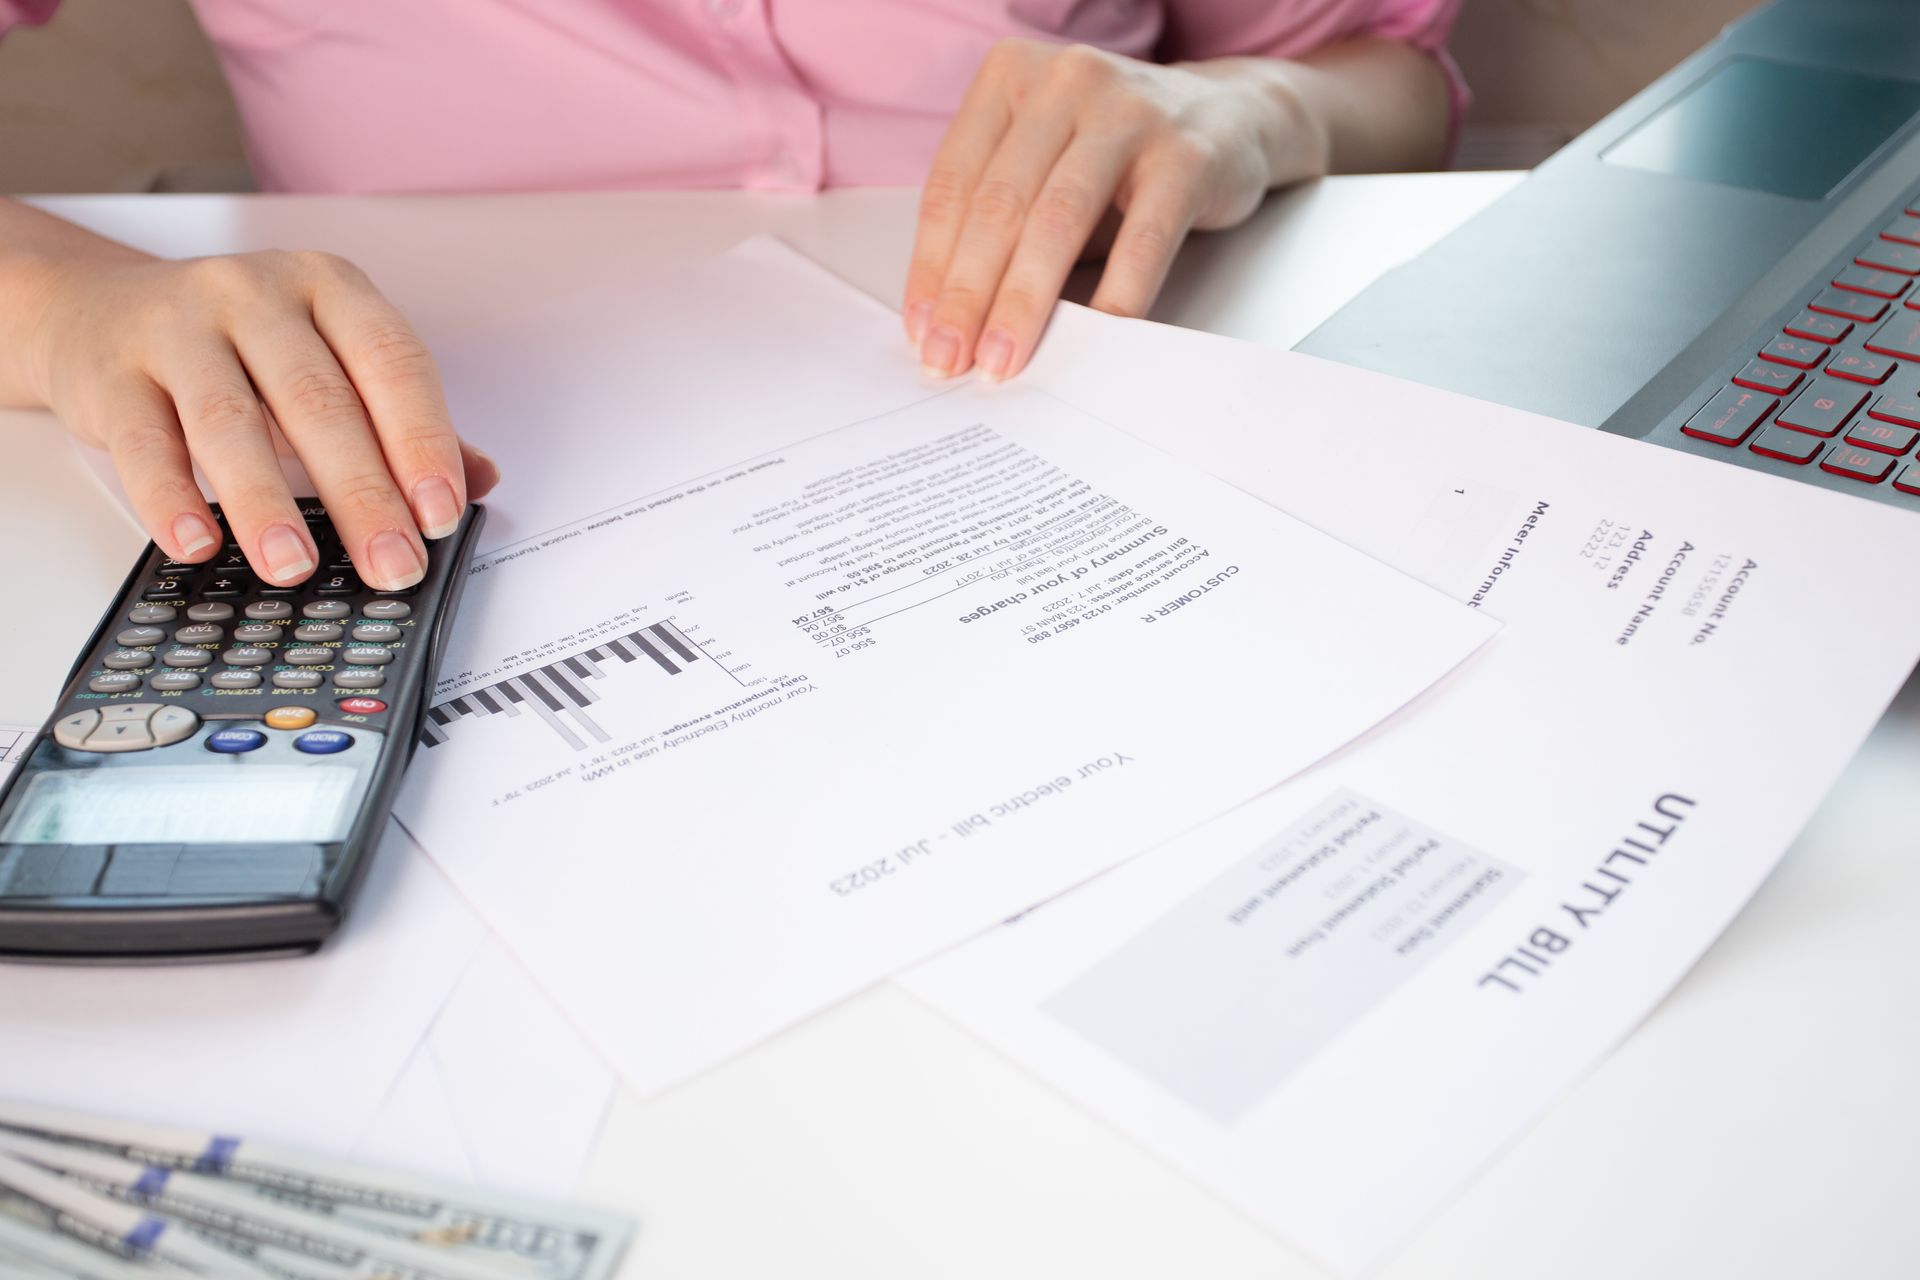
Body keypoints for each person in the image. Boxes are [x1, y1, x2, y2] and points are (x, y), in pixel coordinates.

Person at [0, 1, 1462, 590]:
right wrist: (68, 310)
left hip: (1108, 409)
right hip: (417, 453)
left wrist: (1258, 105)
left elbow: (1387, 73)